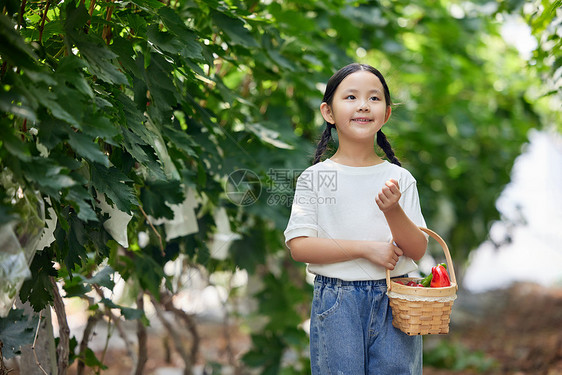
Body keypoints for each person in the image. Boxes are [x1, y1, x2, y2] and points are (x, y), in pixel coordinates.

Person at [284, 63, 428, 374]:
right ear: (328, 112)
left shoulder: (399, 178)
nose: (363, 105)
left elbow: (417, 249)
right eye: (351, 97)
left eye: (374, 98)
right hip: (337, 302)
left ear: (386, 113)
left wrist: (393, 210)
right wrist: (366, 249)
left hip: (397, 299)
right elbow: (300, 246)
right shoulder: (316, 178)